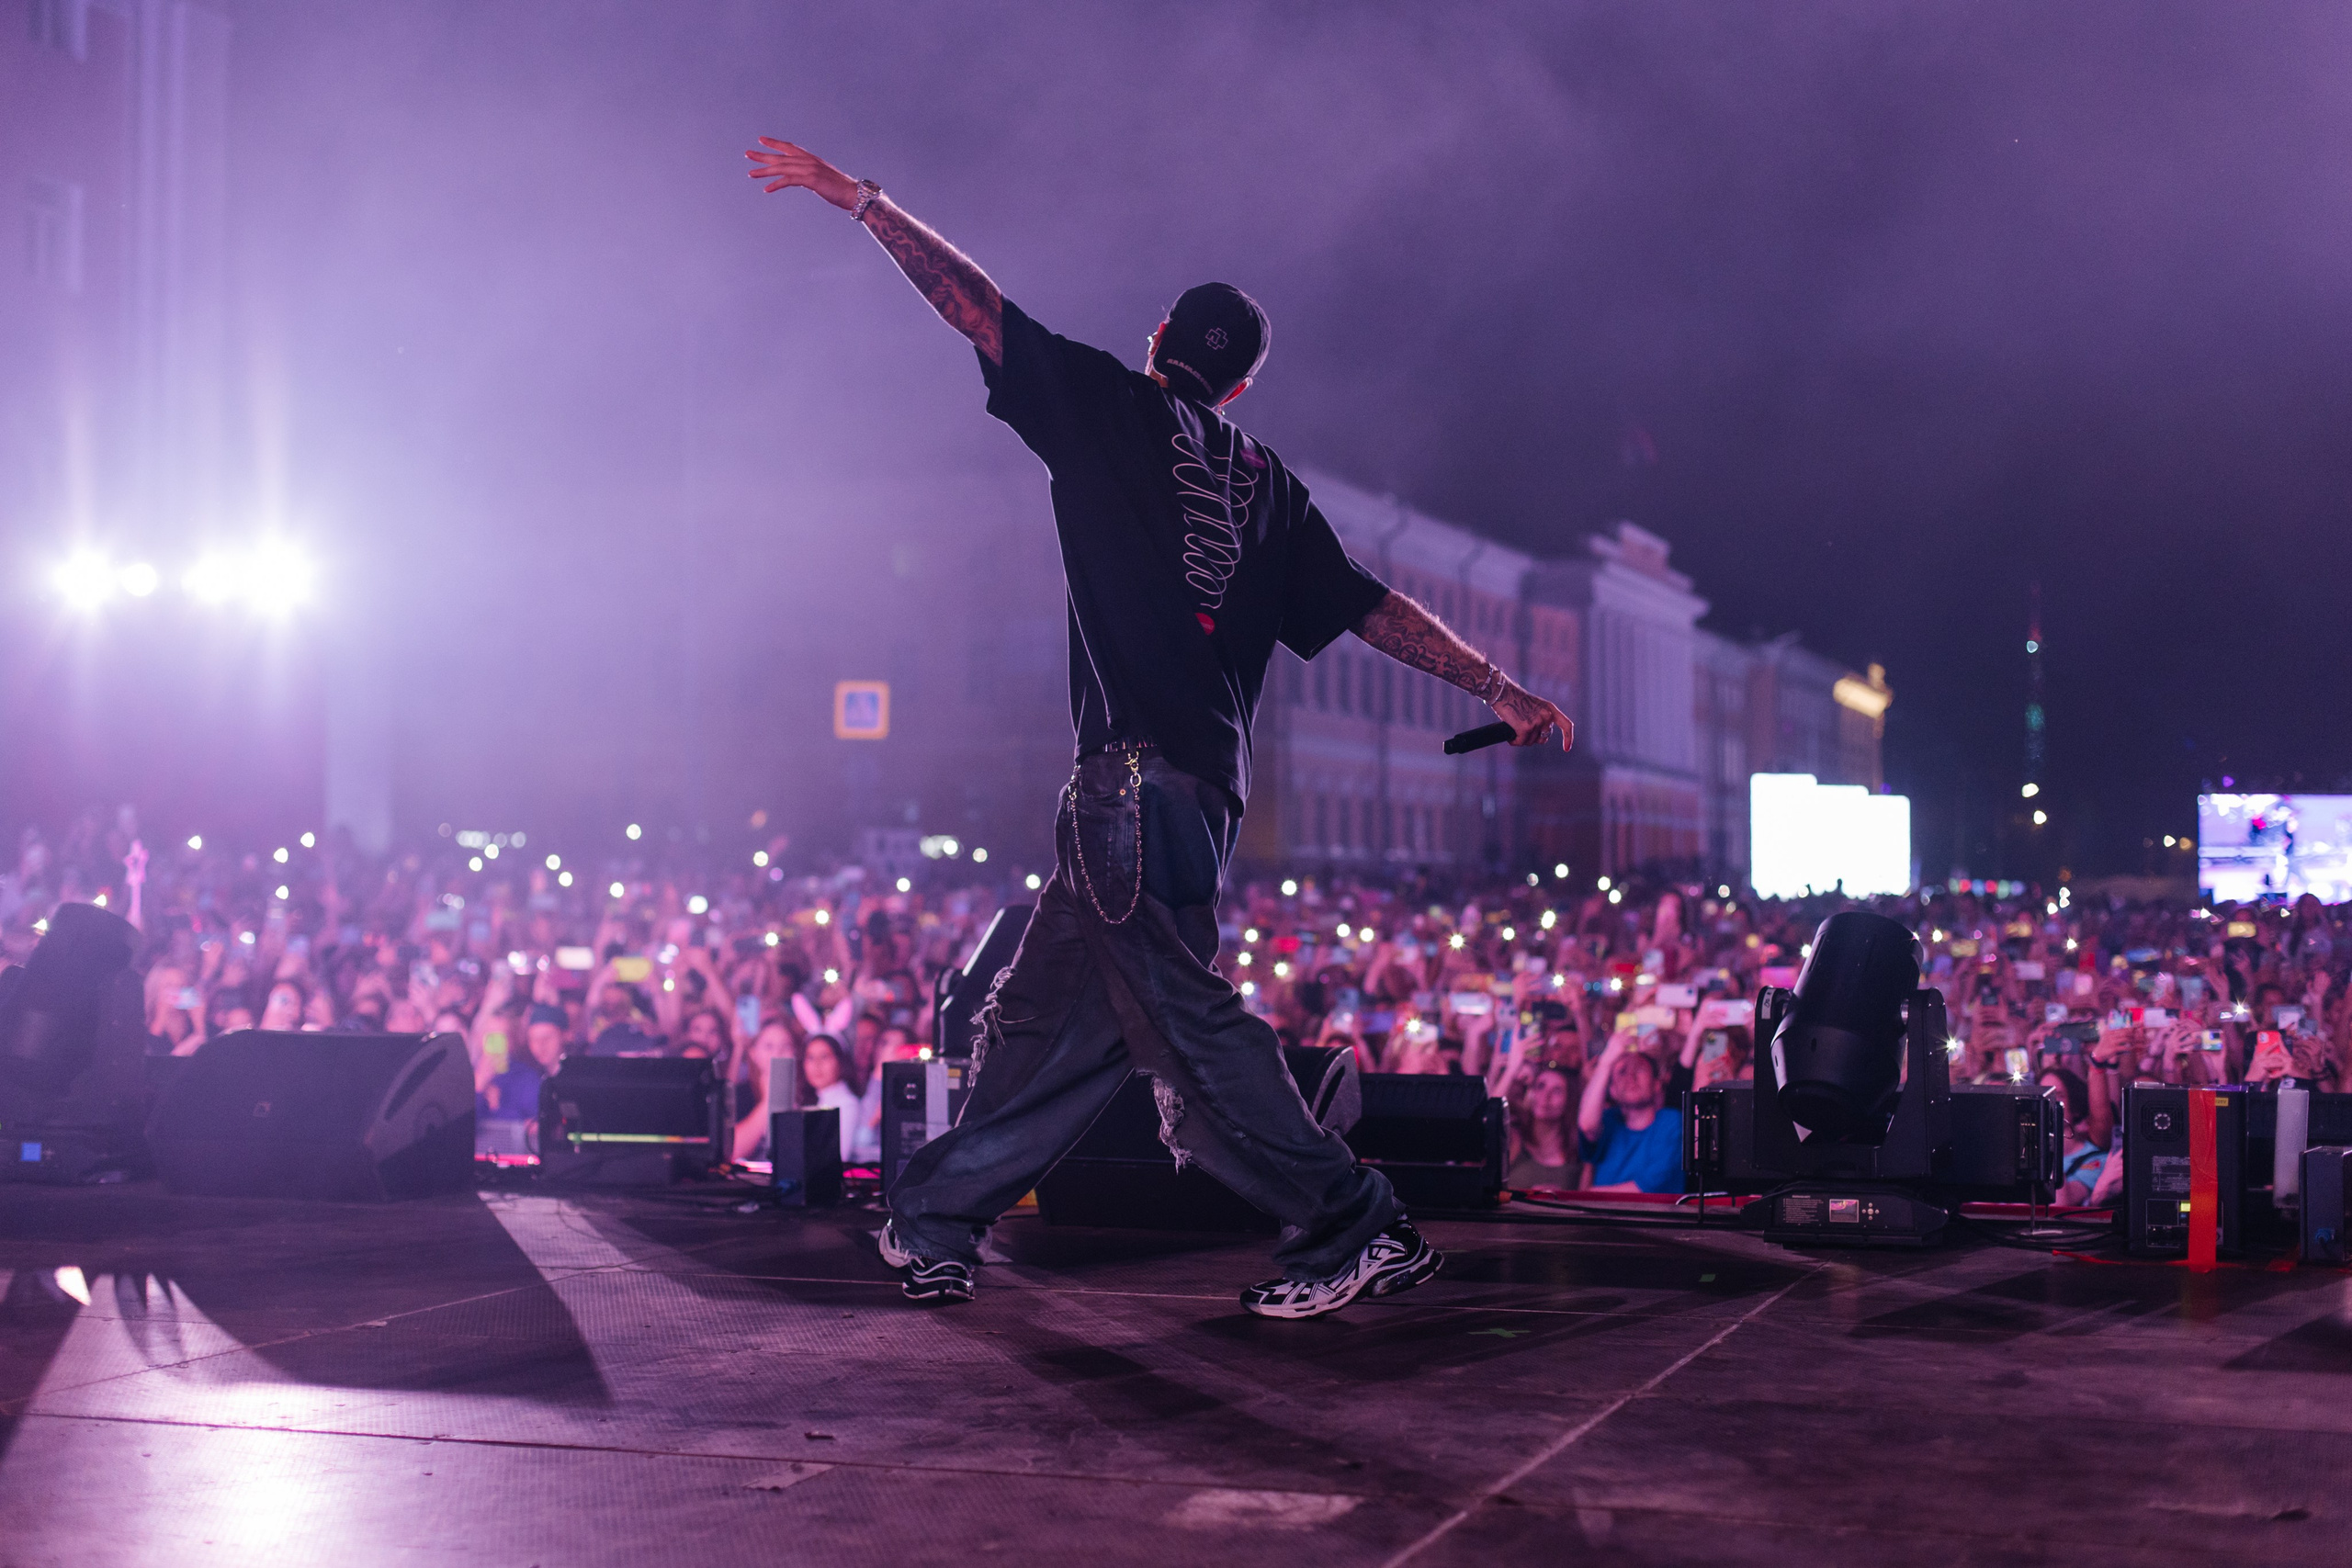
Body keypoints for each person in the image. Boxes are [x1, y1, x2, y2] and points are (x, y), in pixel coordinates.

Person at [745, 136, 1572, 1314]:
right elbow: (1372, 608)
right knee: (1041, 1021)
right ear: (1237, 389)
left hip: (1124, 787)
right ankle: (932, 1221)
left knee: (1182, 1021)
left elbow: (975, 309)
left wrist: (867, 203)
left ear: (1157, 347)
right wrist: (1500, 688)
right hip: (1198, 803)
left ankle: (1353, 1223)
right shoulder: (1269, 482)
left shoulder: (1105, 406)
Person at [1577, 1031, 1684, 1193]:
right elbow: (1587, 1126)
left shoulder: (1671, 1122)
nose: (1630, 1077)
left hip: (1653, 1217)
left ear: (1656, 1084)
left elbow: (1648, 1187)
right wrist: (1606, 1063)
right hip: (1603, 1216)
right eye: (1622, 1071)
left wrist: (1590, 1195)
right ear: (1611, 1090)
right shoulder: (1608, 1120)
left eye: (1639, 1069)